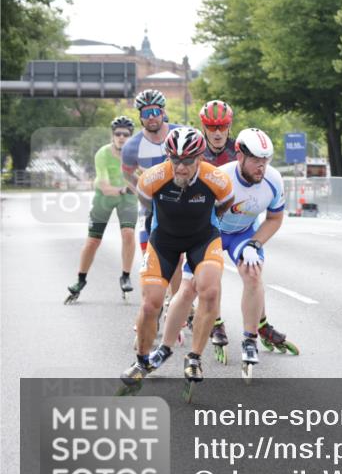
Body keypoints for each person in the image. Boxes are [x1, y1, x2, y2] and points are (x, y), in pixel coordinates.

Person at [151, 128, 295, 378]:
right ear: (239, 157)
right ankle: (164, 348)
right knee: (189, 288)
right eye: (256, 161)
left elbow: (274, 218)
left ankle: (250, 340)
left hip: (243, 234)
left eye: (265, 161)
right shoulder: (219, 178)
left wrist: (255, 243)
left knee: (253, 273)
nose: (261, 167)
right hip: (211, 233)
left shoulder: (273, 180)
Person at [119, 127, 234, 398]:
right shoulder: (152, 178)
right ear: (168, 157)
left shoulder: (217, 179)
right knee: (150, 304)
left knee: (209, 290)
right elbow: (146, 204)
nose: (181, 167)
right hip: (165, 241)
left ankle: (194, 358)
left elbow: (225, 203)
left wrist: (205, 220)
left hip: (203, 238)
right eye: (175, 160)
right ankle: (142, 361)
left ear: (200, 158)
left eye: (188, 161)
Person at [65, 116, 140, 303]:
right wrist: (127, 188)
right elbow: (106, 187)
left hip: (127, 199)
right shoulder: (103, 154)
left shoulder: (136, 154)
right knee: (92, 242)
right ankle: (80, 280)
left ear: (131, 136)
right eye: (118, 134)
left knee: (129, 234)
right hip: (104, 199)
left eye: (126, 134)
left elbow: (143, 177)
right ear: (112, 135)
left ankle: (125, 275)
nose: (121, 137)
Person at [120, 90, 181, 254]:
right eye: (147, 113)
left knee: (180, 260)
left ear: (163, 112)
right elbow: (127, 174)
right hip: (151, 208)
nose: (151, 117)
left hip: (183, 204)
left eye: (155, 111)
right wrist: (142, 192)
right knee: (148, 257)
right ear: (140, 117)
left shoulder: (181, 134)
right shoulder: (131, 147)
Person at [200, 100, 238, 165]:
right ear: (203, 128)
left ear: (229, 126)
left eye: (222, 127)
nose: (217, 133)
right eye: (212, 127)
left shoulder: (238, 151)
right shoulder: (197, 152)